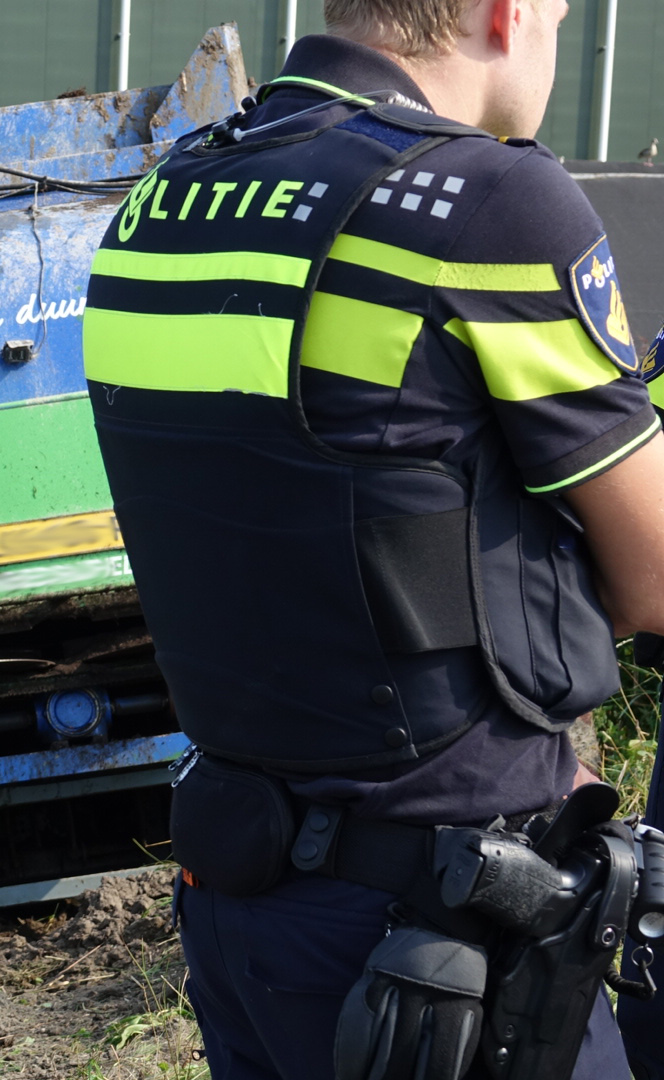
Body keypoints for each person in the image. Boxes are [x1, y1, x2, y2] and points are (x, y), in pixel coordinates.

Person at [81, 0, 664, 1077]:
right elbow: (654, 584)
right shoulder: (486, 200)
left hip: (243, 914)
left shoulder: (156, 206)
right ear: (508, 11)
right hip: (449, 945)